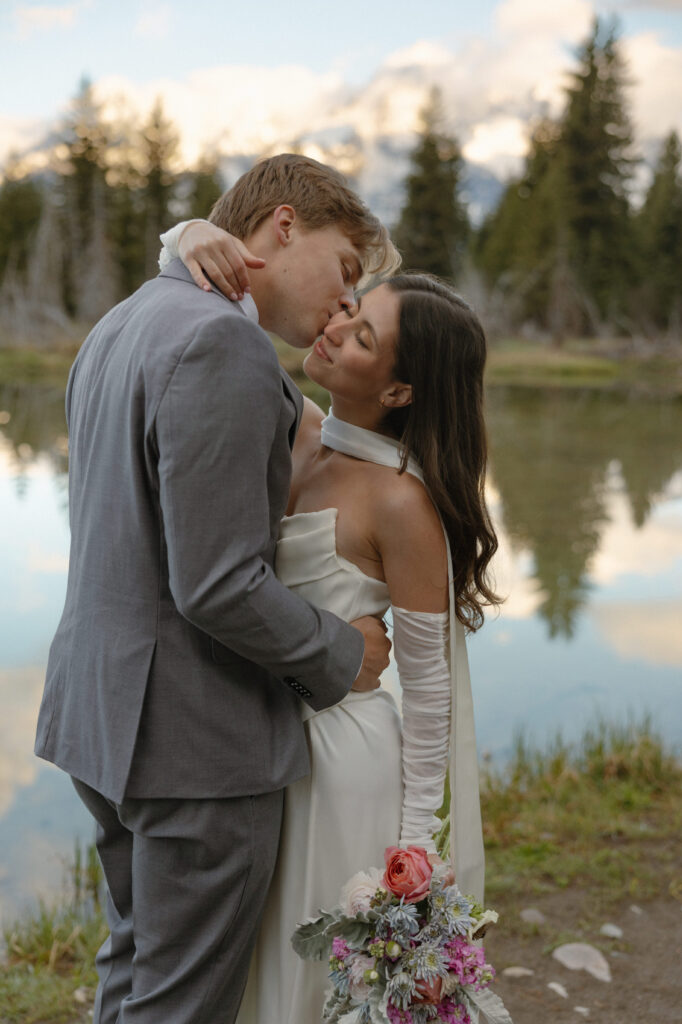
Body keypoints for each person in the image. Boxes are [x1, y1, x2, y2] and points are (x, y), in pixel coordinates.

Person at [34, 154, 400, 1024]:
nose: (345, 301)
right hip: (193, 739)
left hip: (103, 712)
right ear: (282, 226)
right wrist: (342, 652)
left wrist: (179, 242)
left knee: (132, 975)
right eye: (344, 267)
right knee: (181, 1005)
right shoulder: (223, 341)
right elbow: (218, 582)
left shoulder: (125, 321)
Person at [160, 220, 500, 1022]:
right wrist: (187, 236)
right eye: (352, 305)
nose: (336, 322)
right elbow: (207, 311)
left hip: (344, 766)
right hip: (258, 743)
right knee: (248, 964)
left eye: (363, 334)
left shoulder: (401, 504)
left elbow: (427, 698)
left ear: (397, 391)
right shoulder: (297, 429)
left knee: (313, 977)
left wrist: (413, 857)